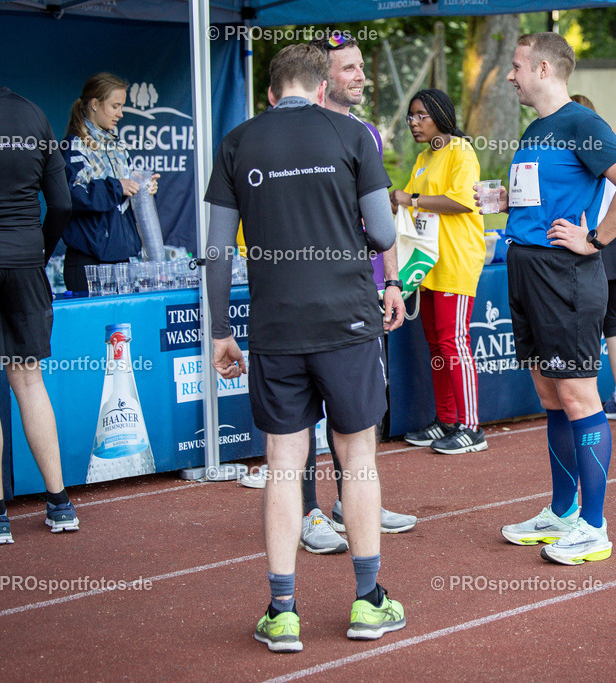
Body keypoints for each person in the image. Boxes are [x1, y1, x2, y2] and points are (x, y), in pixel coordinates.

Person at [205, 44, 404, 651]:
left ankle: (283, 610)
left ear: (270, 93)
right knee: (358, 457)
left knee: (283, 466)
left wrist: (218, 329)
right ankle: (369, 602)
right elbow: (385, 232)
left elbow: (215, 251)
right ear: (322, 89)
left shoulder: (238, 141)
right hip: (345, 320)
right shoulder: (351, 136)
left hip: (275, 328)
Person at [494, 32, 616, 565]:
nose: (510, 76)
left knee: (580, 396)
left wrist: (597, 239)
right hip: (528, 268)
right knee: (550, 394)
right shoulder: (538, 129)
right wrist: (502, 197)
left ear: (541, 67)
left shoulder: (581, 123)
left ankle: (594, 525)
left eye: (516, 66)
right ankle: (562, 513)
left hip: (565, 275)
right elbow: (543, 194)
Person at [268, 33, 414, 554]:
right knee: (300, 416)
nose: (360, 77)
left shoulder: (366, 134)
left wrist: (391, 280)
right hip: (303, 297)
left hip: (361, 290)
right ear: (321, 78)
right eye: (348, 69)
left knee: (356, 412)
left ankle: (349, 502)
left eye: (360, 67)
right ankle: (307, 511)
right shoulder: (276, 135)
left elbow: (383, 219)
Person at [0, 35, 77, 544]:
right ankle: (60, 504)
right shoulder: (33, 114)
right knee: (30, 380)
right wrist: (36, 254)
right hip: (25, 262)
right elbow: (62, 205)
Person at [396, 89, 488, 449]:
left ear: (440, 116)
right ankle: (447, 421)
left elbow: (462, 201)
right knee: (436, 345)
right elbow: (404, 202)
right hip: (427, 264)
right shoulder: (423, 158)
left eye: (421, 115)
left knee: (453, 345)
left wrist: (411, 199)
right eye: (411, 116)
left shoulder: (461, 151)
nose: (414, 123)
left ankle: (471, 427)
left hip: (455, 261)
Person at [570, 94, 616, 421]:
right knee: (609, 322)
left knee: (589, 324)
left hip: (595, 241)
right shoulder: (609, 144)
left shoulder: (584, 149)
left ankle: (591, 401)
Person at [60, 73, 159, 292]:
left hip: (120, 258)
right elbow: (74, 196)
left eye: (121, 107)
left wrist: (143, 188)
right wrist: (118, 186)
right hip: (88, 262)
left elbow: (123, 195)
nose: (120, 114)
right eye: (115, 106)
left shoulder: (118, 146)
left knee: (123, 326)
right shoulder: (74, 146)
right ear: (95, 104)